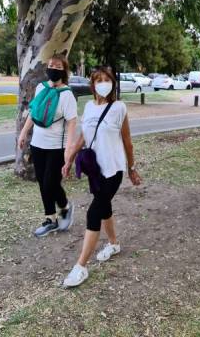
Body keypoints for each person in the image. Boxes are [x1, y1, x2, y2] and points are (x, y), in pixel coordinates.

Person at [61, 66, 142, 287]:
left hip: (113, 170)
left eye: (107, 79)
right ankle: (114, 244)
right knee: (103, 207)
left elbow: (127, 141)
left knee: (94, 211)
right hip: (95, 170)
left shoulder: (119, 108)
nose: (103, 83)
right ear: (93, 84)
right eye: (99, 80)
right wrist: (69, 159)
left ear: (113, 84)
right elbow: (84, 137)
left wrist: (132, 168)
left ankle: (81, 266)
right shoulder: (87, 107)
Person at [18, 54, 78, 237]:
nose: (53, 68)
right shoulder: (40, 88)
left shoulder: (67, 95)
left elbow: (72, 123)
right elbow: (33, 113)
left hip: (56, 147)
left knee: (50, 182)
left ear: (64, 70)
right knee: (43, 182)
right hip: (38, 144)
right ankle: (51, 218)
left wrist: (69, 149)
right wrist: (23, 133)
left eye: (58, 66)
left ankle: (64, 207)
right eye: (51, 65)